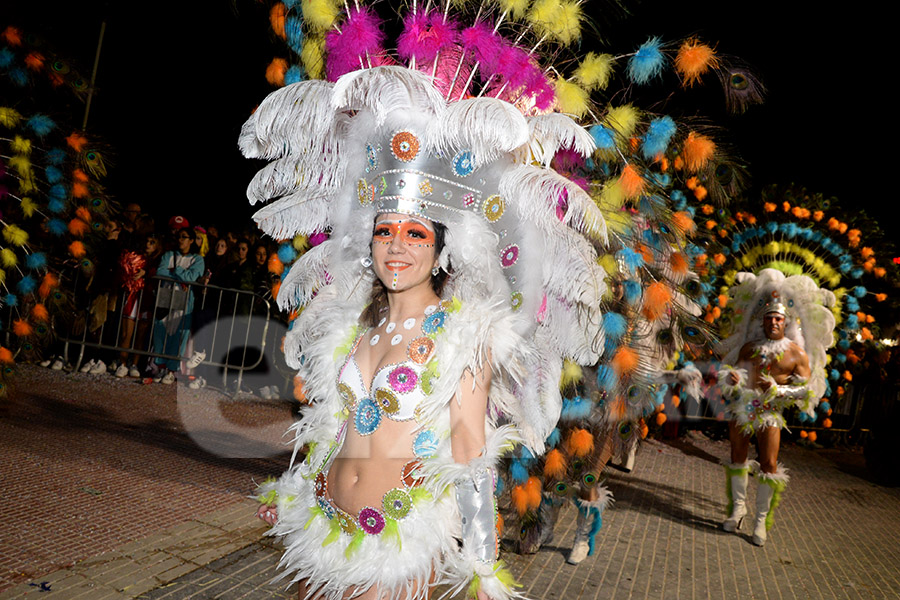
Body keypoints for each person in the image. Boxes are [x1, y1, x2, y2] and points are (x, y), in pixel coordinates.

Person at [244, 64, 607, 600]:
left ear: (441, 252)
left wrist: (482, 563)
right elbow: (333, 426)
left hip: (397, 543)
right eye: (384, 231)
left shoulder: (463, 336)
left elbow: (468, 452)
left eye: (415, 234)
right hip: (318, 527)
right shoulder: (355, 326)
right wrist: (297, 486)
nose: (396, 245)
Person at [717, 269, 835, 546]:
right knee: (737, 456)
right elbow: (737, 374)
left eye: (778, 318)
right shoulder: (749, 348)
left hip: (770, 413)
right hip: (742, 409)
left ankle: (760, 521)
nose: (773, 322)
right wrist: (733, 379)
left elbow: (807, 390)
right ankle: (738, 510)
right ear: (763, 320)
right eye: (769, 318)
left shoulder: (796, 353)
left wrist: (779, 390)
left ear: (786, 321)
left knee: (769, 463)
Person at [149, 226, 205, 384]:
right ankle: (159, 366)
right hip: (166, 296)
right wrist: (181, 275)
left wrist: (176, 270)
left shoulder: (197, 259)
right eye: (179, 236)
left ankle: (171, 369)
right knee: (161, 330)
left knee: (179, 334)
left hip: (184, 299)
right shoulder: (168, 255)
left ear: (191, 240)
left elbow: (193, 276)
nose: (181, 240)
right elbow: (160, 271)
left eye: (184, 237)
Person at [115, 231, 163, 377]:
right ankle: (122, 364)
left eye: (152, 242)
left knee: (140, 336)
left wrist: (147, 272)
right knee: (126, 334)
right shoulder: (134, 256)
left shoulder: (157, 262)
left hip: (146, 299)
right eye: (147, 241)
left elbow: (158, 275)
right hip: (132, 297)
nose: (148, 245)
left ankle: (134, 364)